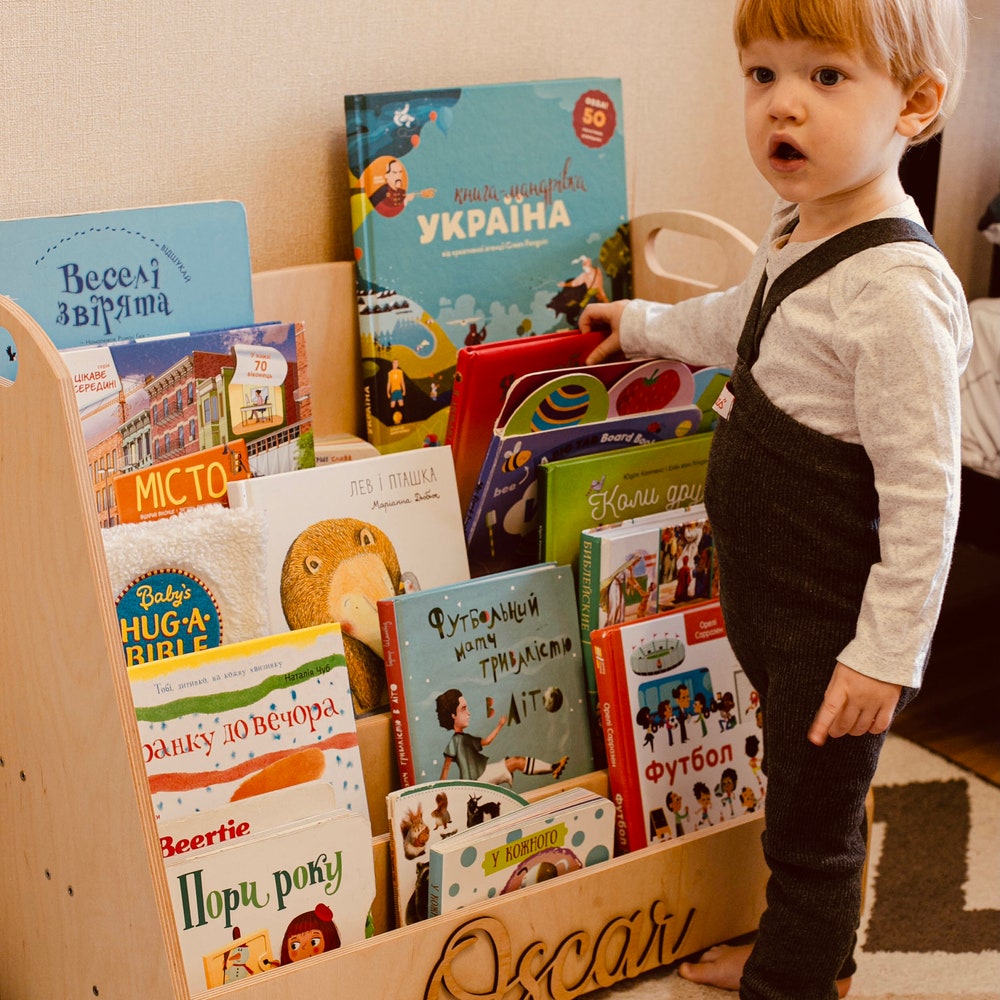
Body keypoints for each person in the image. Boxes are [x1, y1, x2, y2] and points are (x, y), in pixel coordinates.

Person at [580, 1, 971, 997]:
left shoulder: (892, 294)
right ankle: (802, 952)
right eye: (762, 75)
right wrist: (640, 323)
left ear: (916, 105)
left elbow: (924, 499)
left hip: (832, 622)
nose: (781, 105)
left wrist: (883, 655)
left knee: (813, 825)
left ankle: (794, 982)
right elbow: (741, 320)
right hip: (775, 603)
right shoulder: (799, 228)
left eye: (825, 78)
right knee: (795, 796)